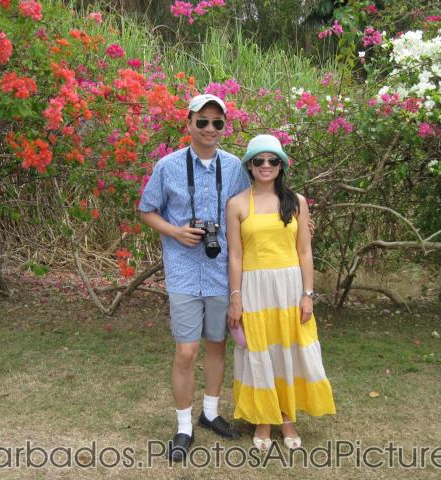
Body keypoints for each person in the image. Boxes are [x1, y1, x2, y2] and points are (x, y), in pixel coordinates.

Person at [138, 94, 251, 461]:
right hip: (184, 270)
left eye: (217, 123)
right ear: (188, 124)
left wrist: (296, 214)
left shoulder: (234, 167)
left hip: (221, 271)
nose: (210, 129)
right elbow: (146, 209)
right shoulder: (168, 166)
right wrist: (175, 231)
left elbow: (257, 202)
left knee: (217, 344)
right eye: (202, 121)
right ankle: (184, 426)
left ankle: (211, 412)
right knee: (186, 351)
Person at [226, 134, 336, 452]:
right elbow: (235, 255)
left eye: (272, 160)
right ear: (250, 165)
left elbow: (304, 252)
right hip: (254, 288)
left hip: (289, 289)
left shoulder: (296, 202)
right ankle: (264, 418)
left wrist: (308, 294)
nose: (265, 165)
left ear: (281, 165)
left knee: (288, 351)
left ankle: (287, 418)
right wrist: (236, 296)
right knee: (260, 353)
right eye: (259, 160)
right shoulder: (236, 204)